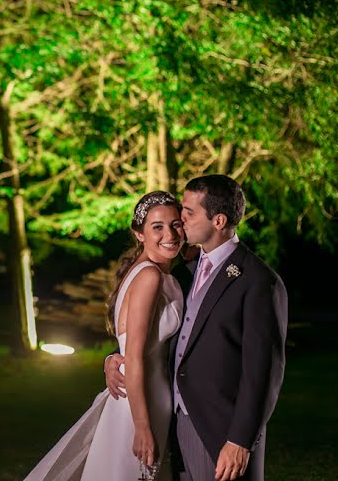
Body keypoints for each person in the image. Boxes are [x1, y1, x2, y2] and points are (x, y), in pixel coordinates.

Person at [105, 175, 288, 481]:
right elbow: (154, 331)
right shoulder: (184, 271)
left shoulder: (258, 281)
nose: (181, 220)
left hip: (220, 430)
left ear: (218, 220)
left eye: (188, 213)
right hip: (171, 422)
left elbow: (264, 372)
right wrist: (115, 356)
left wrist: (240, 440)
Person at [24, 191, 185, 481]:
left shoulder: (151, 274)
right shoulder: (148, 277)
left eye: (176, 224)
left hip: (148, 398)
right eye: (157, 227)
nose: (170, 234)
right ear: (139, 234)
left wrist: (111, 358)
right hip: (139, 404)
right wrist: (142, 426)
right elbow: (134, 355)